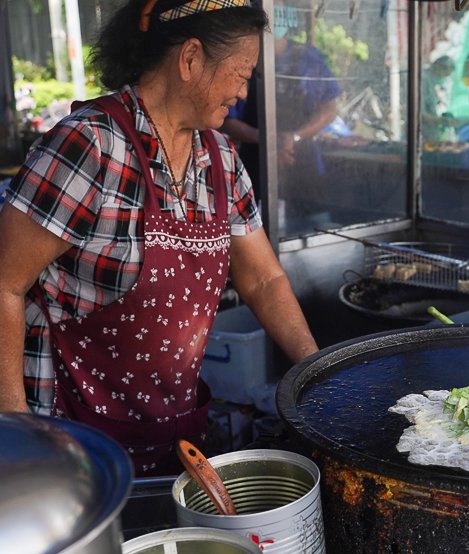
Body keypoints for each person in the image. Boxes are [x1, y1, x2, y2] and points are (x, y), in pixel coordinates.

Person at [0, 0, 318, 476]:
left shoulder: (222, 160)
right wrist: (17, 433)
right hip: (67, 440)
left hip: (169, 435)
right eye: (240, 72)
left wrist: (317, 374)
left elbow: (264, 280)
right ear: (190, 59)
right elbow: (5, 282)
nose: (242, 89)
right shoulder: (91, 146)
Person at [219, 19, 340, 200]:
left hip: (303, 164)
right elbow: (225, 119)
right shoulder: (240, 58)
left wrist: (294, 136)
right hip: (254, 165)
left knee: (313, 223)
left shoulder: (308, 57)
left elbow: (330, 109)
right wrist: (268, 140)